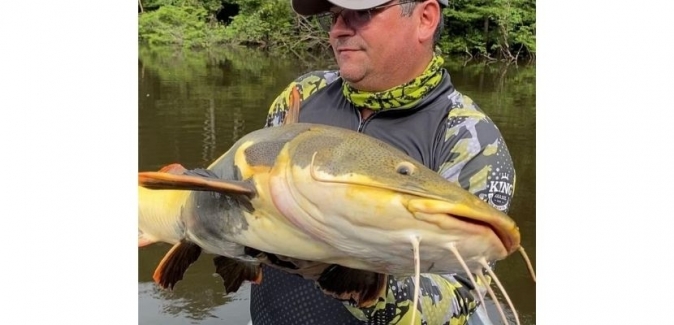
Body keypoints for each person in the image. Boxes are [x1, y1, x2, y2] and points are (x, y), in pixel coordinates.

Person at [250, 0, 517, 324]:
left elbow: (457, 292)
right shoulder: (301, 95)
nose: (337, 29)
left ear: (425, 18)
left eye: (361, 13)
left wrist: (346, 271)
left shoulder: (470, 138)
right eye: (334, 16)